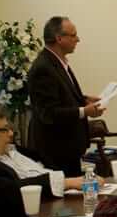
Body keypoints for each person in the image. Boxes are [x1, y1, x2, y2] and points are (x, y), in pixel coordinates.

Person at [28, 16, 104, 177]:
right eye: (73, 35)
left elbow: (59, 96)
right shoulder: (44, 68)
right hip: (55, 150)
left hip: (69, 149)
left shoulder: (58, 63)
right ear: (59, 38)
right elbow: (49, 113)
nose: (78, 39)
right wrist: (84, 111)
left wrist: (83, 99)